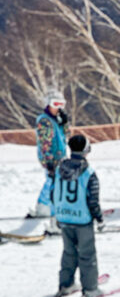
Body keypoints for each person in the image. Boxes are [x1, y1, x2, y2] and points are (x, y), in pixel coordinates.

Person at [50, 134, 104, 297]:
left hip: (64, 217)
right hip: (82, 219)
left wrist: (57, 213)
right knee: (87, 254)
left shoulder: (59, 169)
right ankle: (90, 289)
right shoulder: (88, 172)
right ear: (86, 150)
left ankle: (65, 284)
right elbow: (93, 200)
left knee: (69, 252)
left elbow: (53, 193)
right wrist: (99, 218)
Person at [32, 88, 69, 231]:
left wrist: (64, 123)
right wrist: (49, 162)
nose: (58, 108)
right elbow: (44, 143)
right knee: (55, 185)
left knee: (51, 182)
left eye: (61, 104)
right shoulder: (45, 121)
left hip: (60, 156)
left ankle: (42, 207)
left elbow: (66, 135)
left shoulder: (57, 119)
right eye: (55, 104)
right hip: (51, 158)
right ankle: (54, 216)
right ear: (48, 104)